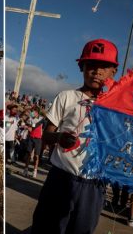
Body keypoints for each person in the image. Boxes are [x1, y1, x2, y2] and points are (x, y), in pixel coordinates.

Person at [31, 39, 119, 234]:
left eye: (104, 67)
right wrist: (59, 137)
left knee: (82, 229)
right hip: (61, 178)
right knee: (47, 226)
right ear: (81, 67)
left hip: (94, 184)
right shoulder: (66, 97)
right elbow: (47, 134)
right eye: (91, 66)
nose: (97, 72)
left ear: (113, 71)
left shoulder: (115, 108)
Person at [23, 107, 46, 178]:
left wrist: (29, 127)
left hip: (38, 139)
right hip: (30, 138)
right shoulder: (30, 118)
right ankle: (26, 169)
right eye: (31, 112)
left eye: (33, 112)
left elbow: (36, 125)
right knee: (28, 154)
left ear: (37, 112)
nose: (32, 113)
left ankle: (35, 171)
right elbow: (24, 124)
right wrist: (26, 126)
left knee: (36, 156)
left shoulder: (42, 119)